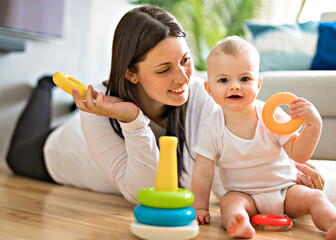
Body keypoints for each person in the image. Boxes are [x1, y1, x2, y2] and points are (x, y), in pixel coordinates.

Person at [6, 6, 325, 205]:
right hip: (60, 150)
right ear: (130, 73)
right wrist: (132, 119)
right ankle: (45, 85)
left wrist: (275, 165)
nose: (182, 78)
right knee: (14, 155)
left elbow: (216, 161)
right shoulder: (98, 113)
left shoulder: (201, 91)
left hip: (108, 119)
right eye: (163, 69)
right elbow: (148, 191)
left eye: (185, 61)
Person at [190, 36, 336, 239]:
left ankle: (332, 223)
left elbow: (299, 154)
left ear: (258, 84)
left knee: (315, 198)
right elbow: (203, 173)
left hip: (286, 190)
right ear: (209, 89)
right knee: (229, 203)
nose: (235, 86)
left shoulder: (271, 114)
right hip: (244, 196)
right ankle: (238, 223)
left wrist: (314, 125)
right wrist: (199, 208)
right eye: (224, 80)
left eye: (244, 79)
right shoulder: (211, 127)